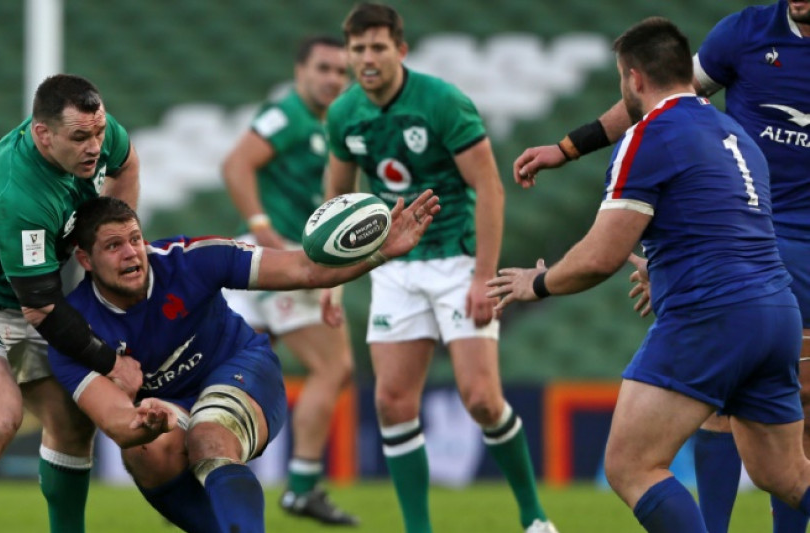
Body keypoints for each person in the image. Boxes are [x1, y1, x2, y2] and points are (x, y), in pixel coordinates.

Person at [489, 17, 810, 533]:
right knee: (787, 474)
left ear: (634, 79)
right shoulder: (736, 136)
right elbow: (719, 232)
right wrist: (664, 264)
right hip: (777, 314)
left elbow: (600, 256)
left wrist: (538, 283)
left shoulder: (648, 135)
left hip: (713, 314)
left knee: (630, 466)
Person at [46, 191, 439, 533]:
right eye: (114, 246)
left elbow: (305, 268)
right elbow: (119, 422)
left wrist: (381, 252)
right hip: (169, 406)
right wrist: (145, 419)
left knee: (208, 436)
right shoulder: (74, 333)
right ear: (85, 258)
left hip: (241, 367)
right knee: (145, 454)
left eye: (135, 238)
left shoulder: (191, 260)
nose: (132, 252)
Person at [323, 4, 557, 533]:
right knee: (390, 401)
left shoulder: (442, 101)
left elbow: (489, 188)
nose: (367, 58)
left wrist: (482, 276)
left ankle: (534, 515)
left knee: (480, 399)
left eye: (378, 47)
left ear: (401, 50)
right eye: (358, 49)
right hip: (395, 265)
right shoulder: (343, 114)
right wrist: (330, 280)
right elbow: (336, 199)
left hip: (457, 259)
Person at [0, 74, 144, 533]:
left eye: (97, 133)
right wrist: (109, 363)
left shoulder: (95, 126)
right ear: (43, 134)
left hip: (32, 298)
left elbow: (128, 165)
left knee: (74, 423)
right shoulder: (18, 194)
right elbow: (41, 309)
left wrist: (110, 240)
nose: (94, 146)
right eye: (80, 138)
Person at [220, 35, 359, 526]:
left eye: (341, 72)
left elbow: (341, 214)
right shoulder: (289, 116)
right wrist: (263, 230)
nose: (332, 79)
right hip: (277, 265)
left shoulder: (336, 127)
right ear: (301, 71)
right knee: (333, 365)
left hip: (299, 268)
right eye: (323, 68)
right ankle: (300, 486)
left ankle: (194, 477)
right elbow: (236, 164)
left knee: (228, 371)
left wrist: (333, 283)